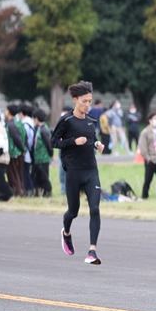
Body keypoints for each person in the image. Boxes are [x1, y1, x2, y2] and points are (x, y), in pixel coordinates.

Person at [51, 81, 106, 264]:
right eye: (84, 101)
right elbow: (54, 142)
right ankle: (66, 232)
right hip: (73, 172)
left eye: (90, 101)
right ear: (75, 100)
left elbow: (93, 138)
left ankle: (92, 252)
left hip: (91, 170)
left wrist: (97, 144)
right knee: (73, 212)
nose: (88, 105)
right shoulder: (66, 120)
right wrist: (73, 141)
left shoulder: (92, 121)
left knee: (95, 209)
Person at [138, 112, 156, 199]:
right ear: (150, 120)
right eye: (155, 119)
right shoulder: (145, 132)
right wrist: (147, 158)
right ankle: (145, 196)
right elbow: (142, 146)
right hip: (151, 159)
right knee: (148, 179)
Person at [4, 104, 26, 197]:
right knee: (19, 174)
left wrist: (21, 149)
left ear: (8, 111)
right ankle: (21, 191)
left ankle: (17, 193)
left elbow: (16, 138)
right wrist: (23, 149)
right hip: (20, 153)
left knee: (13, 175)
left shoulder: (10, 124)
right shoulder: (19, 122)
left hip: (13, 153)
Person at [31, 109, 53, 197]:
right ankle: (39, 192)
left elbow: (49, 144)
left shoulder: (44, 130)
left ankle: (47, 192)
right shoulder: (39, 129)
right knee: (37, 177)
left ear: (36, 119)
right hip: (38, 158)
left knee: (44, 177)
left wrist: (51, 155)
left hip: (43, 158)